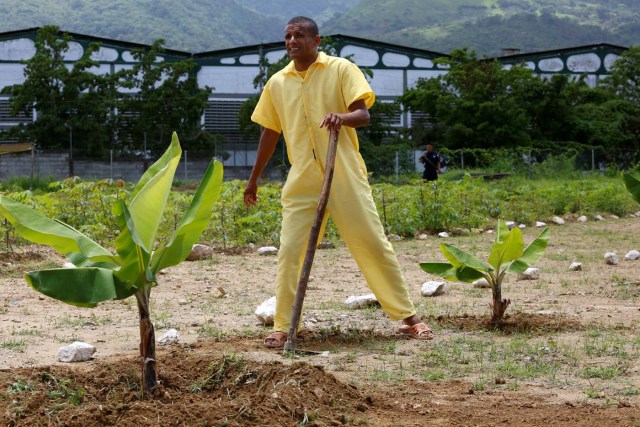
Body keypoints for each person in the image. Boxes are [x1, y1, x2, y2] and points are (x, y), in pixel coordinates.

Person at [244, 16, 434, 348]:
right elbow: (269, 132)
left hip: (343, 172)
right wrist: (253, 179)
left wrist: (341, 117)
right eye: (288, 36)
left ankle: (409, 318)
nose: (292, 41)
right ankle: (283, 325)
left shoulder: (341, 69)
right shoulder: (277, 82)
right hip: (302, 179)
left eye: (299, 35)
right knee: (290, 252)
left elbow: (364, 114)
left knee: (371, 243)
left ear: (316, 40)